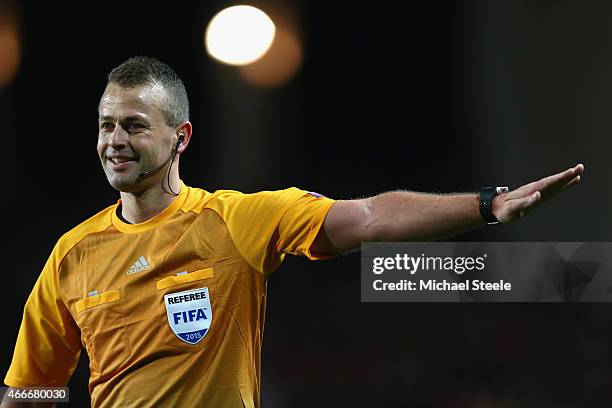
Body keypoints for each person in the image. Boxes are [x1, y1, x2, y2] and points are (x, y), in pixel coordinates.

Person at [2, 56, 584, 408]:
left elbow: (369, 217)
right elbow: (32, 384)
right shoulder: (73, 255)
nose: (115, 141)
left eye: (134, 125)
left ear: (180, 137)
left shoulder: (234, 220)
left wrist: (487, 205)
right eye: (106, 125)